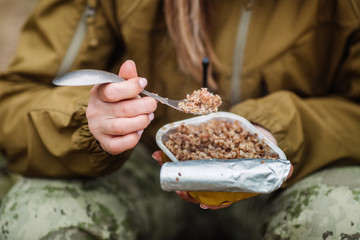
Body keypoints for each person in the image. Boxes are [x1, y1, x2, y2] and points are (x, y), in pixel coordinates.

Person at [0, 0, 359, 239]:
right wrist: (86, 121)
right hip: (143, 168)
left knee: (345, 214)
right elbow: (16, 103)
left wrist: (276, 130)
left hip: (291, 173)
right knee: (39, 215)